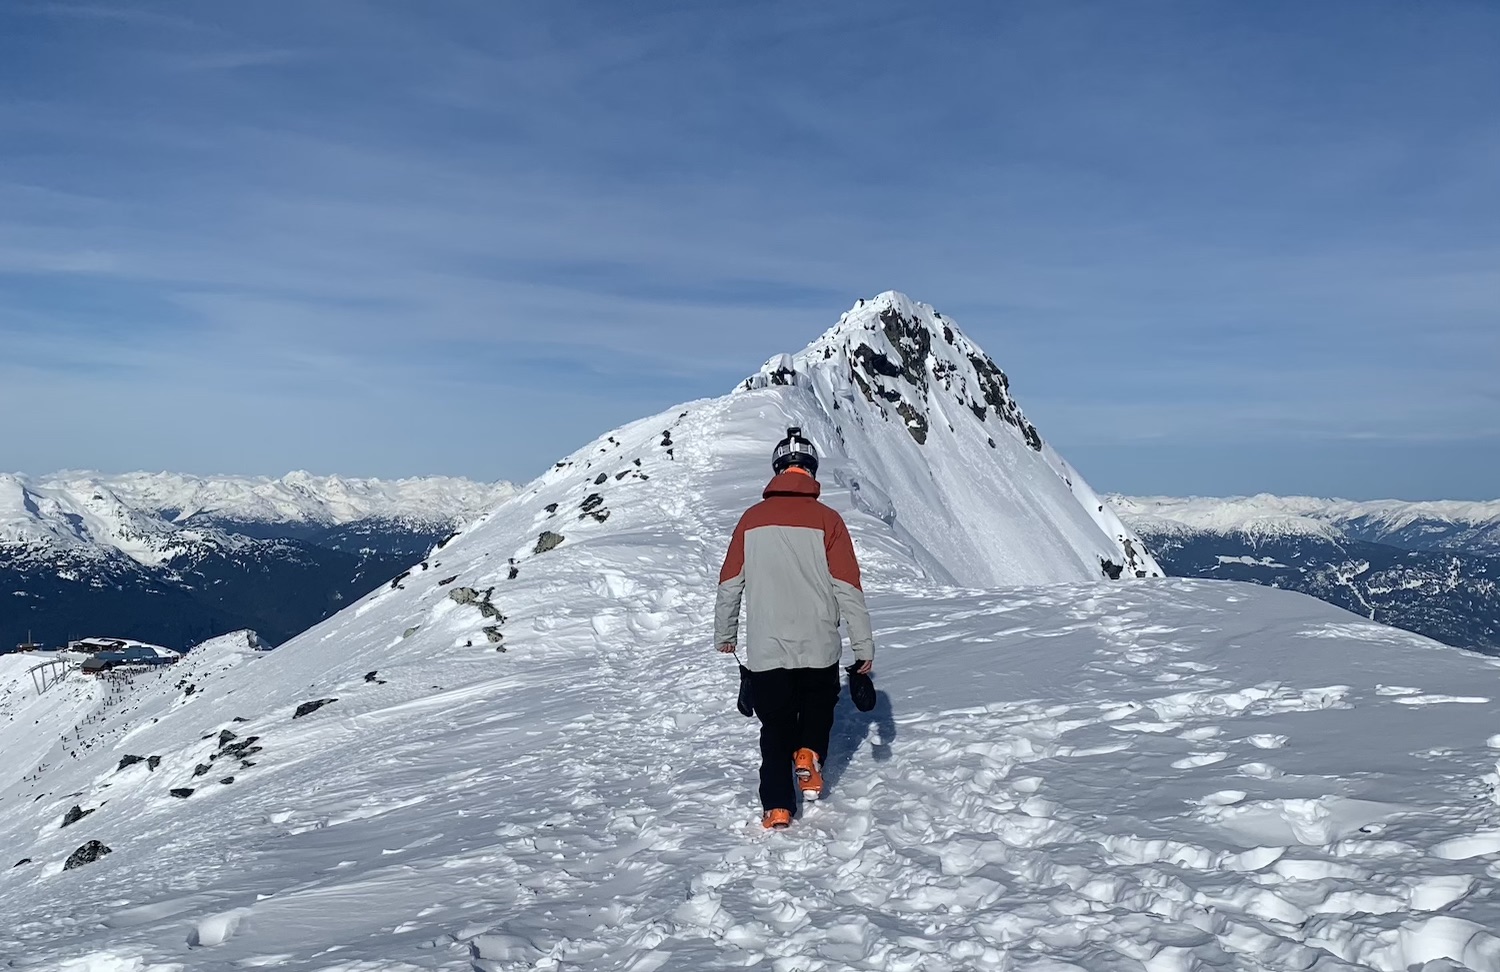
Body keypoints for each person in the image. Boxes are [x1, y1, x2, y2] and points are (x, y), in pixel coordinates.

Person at [715, 427, 875, 830]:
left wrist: (725, 634)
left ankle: (777, 808)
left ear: (777, 469)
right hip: (819, 643)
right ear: (811, 469)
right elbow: (848, 589)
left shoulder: (751, 520)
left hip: (767, 647)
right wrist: (863, 646)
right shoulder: (828, 520)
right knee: (818, 711)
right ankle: (808, 754)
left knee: (774, 727)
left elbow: (730, 583)